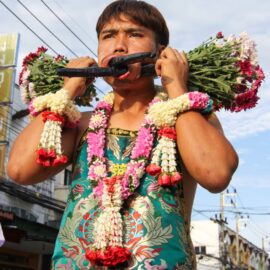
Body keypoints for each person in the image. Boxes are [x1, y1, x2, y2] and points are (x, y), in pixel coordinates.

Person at [7, 1, 238, 269]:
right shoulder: (80, 123)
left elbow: (216, 174)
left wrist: (177, 87)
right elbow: (20, 172)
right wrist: (66, 92)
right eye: (108, 36)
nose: (119, 45)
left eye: (134, 34)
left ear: (161, 52)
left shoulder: (190, 118)